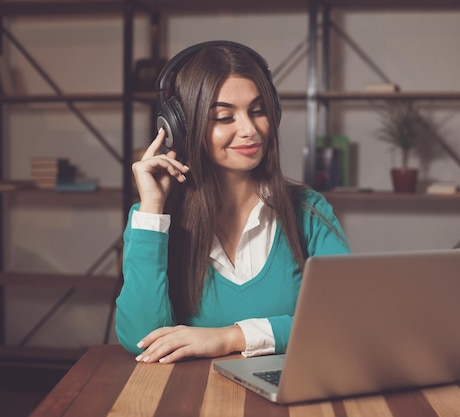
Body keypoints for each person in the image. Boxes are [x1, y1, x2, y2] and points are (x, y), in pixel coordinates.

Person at [115, 41, 350, 364]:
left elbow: (344, 322)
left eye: (258, 111)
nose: (250, 130)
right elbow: (142, 340)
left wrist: (228, 337)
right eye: (224, 117)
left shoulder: (310, 211)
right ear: (181, 129)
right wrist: (153, 208)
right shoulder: (153, 220)